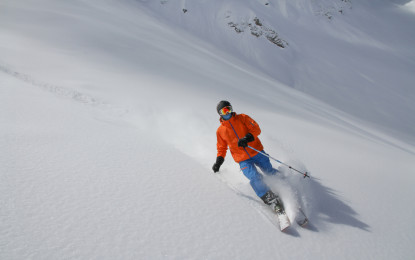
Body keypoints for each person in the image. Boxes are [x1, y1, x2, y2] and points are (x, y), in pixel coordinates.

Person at [212, 100, 285, 213]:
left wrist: (248, 137)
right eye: (224, 110)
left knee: (268, 171)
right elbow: (221, 148)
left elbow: (256, 128)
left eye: (229, 109)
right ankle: (271, 200)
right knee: (255, 178)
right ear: (220, 114)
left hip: (256, 151)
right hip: (242, 159)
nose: (228, 112)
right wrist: (219, 161)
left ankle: (284, 183)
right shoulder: (220, 131)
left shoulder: (243, 118)